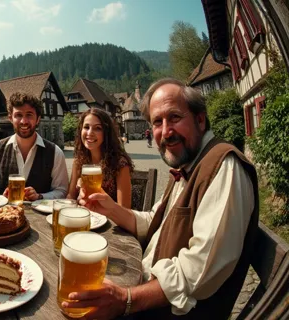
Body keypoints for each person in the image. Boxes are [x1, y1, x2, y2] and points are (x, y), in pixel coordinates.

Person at [67, 78, 258, 319]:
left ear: (200, 119)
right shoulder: (189, 163)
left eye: (174, 117)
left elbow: (198, 271)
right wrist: (109, 208)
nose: (165, 132)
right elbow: (153, 220)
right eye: (157, 122)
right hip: (145, 287)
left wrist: (126, 299)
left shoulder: (223, 166)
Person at [0, 92, 68, 200]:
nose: (24, 121)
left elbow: (61, 190)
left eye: (29, 115)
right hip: (5, 215)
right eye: (18, 115)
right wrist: (1, 198)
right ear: (10, 118)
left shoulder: (55, 152)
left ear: (38, 119)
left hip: (41, 217)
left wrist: (40, 196)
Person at [66, 108, 134, 209]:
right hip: (84, 218)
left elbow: (124, 209)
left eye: (97, 128)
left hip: (110, 222)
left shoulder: (119, 164)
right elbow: (71, 196)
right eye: (86, 127)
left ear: (106, 133)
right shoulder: (79, 160)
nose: (89, 133)